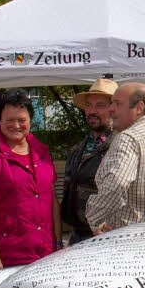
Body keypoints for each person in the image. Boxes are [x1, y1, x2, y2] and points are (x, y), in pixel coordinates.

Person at [0, 89, 62, 268]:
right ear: (0, 120)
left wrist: (57, 243)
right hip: (6, 256)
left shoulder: (42, 151)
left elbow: (52, 200)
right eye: (9, 120)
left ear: (30, 121)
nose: (16, 125)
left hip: (44, 253)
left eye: (21, 120)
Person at [86, 83, 145, 233]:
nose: (111, 109)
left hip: (128, 235)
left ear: (139, 108)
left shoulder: (127, 138)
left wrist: (94, 219)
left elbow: (117, 184)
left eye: (117, 103)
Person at [61, 79, 117, 245]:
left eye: (100, 105)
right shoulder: (78, 149)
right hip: (78, 235)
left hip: (106, 237)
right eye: (88, 105)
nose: (92, 111)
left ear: (113, 109)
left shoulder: (120, 145)